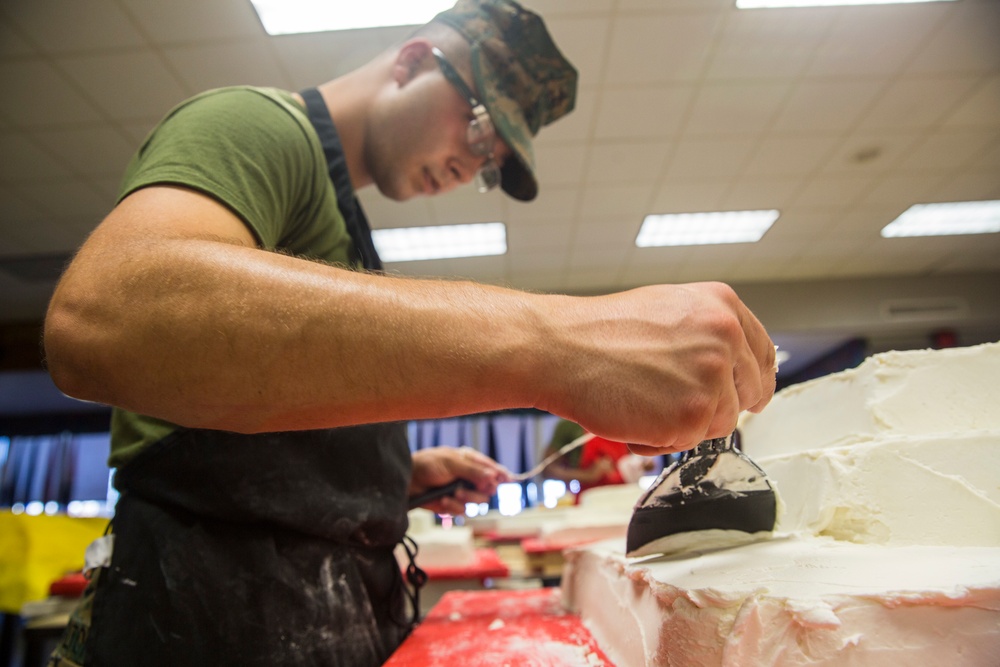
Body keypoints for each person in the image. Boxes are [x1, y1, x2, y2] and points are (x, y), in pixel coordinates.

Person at [42, 0, 777, 664]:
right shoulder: (258, 125)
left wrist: (389, 474)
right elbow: (106, 317)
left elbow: (259, 395)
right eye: (481, 126)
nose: (470, 164)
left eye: (489, 163)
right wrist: (561, 342)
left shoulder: (345, 229)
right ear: (416, 57)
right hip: (193, 621)